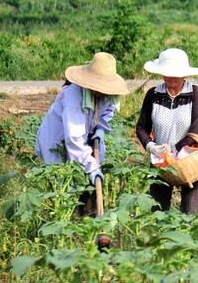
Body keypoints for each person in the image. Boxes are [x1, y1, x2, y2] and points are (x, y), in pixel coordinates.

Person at [34, 52, 131, 216]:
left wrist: (100, 128)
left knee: (87, 180)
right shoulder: (74, 98)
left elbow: (107, 110)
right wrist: (92, 167)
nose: (103, 93)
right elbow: (74, 139)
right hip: (57, 142)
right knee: (65, 187)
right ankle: (68, 226)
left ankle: (88, 220)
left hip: (82, 137)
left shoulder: (104, 95)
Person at [135, 48, 198, 213]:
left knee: (189, 214)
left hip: (190, 161)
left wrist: (174, 151)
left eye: (174, 73)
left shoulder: (195, 93)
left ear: (184, 75)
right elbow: (141, 127)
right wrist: (152, 147)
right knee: (158, 212)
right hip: (160, 161)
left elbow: (196, 131)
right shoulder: (153, 94)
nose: (169, 77)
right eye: (166, 73)